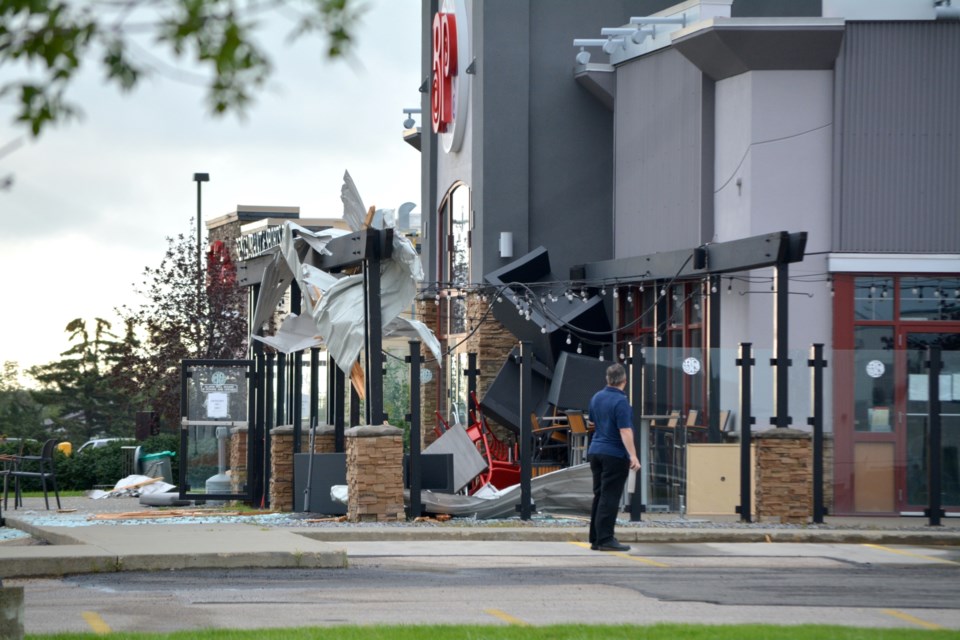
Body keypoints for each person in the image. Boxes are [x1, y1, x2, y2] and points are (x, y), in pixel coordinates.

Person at [586, 363, 640, 552]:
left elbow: (591, 421)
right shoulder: (621, 402)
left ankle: (595, 538)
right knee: (610, 496)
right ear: (625, 381)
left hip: (596, 451)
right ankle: (606, 538)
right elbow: (625, 430)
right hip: (614, 453)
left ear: (607, 379)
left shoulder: (596, 397)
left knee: (599, 495)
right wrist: (633, 455)